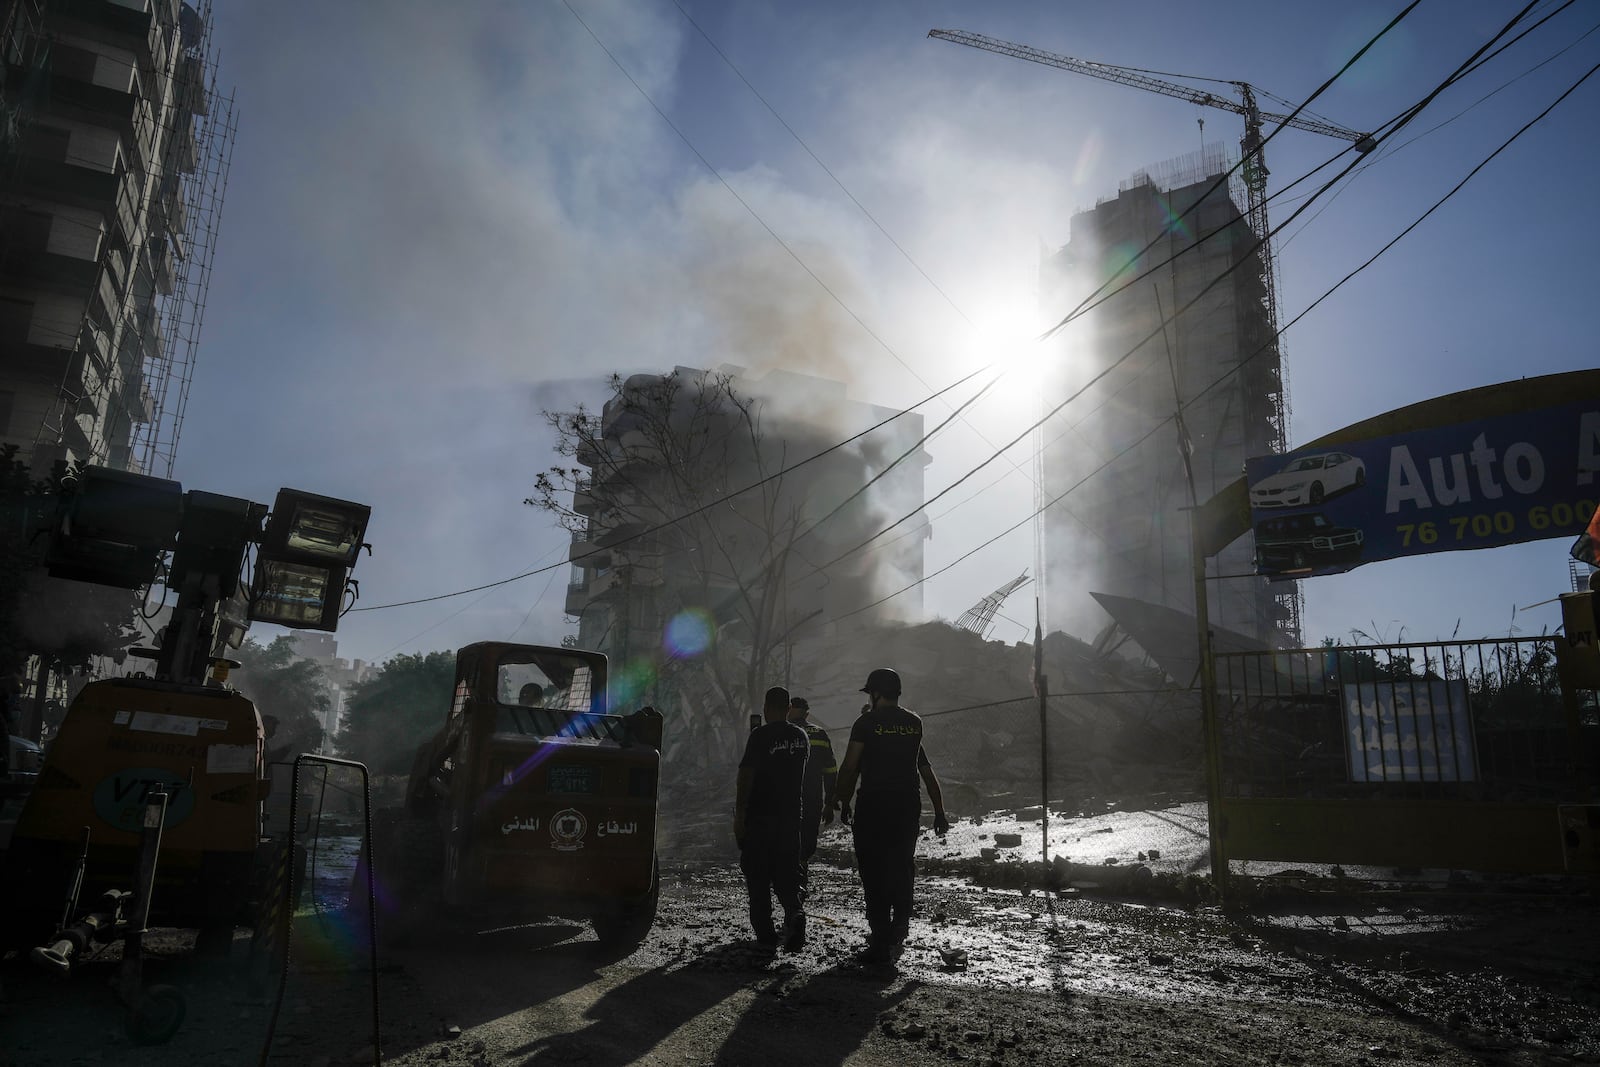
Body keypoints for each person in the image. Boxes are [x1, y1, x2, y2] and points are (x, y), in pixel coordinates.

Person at [833, 667, 949, 964]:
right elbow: (924, 771)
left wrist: (841, 799)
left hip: (874, 805)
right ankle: (900, 924)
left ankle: (880, 939)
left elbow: (849, 767)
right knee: (901, 865)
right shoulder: (914, 724)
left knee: (873, 870)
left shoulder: (865, 723)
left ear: (875, 693)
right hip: (907, 806)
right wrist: (939, 811)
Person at [734, 685, 809, 951]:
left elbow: (746, 777)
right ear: (789, 709)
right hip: (790, 818)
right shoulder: (802, 737)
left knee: (758, 876)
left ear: (766, 708)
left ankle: (766, 936)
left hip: (760, 818)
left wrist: (740, 814)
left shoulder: (760, 736)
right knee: (787, 874)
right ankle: (795, 914)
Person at [785, 696, 838, 896]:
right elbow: (831, 770)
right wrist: (830, 802)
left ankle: (791, 879)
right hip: (812, 798)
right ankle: (800, 877)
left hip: (785, 799)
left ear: (789, 710)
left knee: (787, 838)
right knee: (807, 839)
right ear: (807, 713)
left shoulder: (780, 732)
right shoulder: (819, 733)